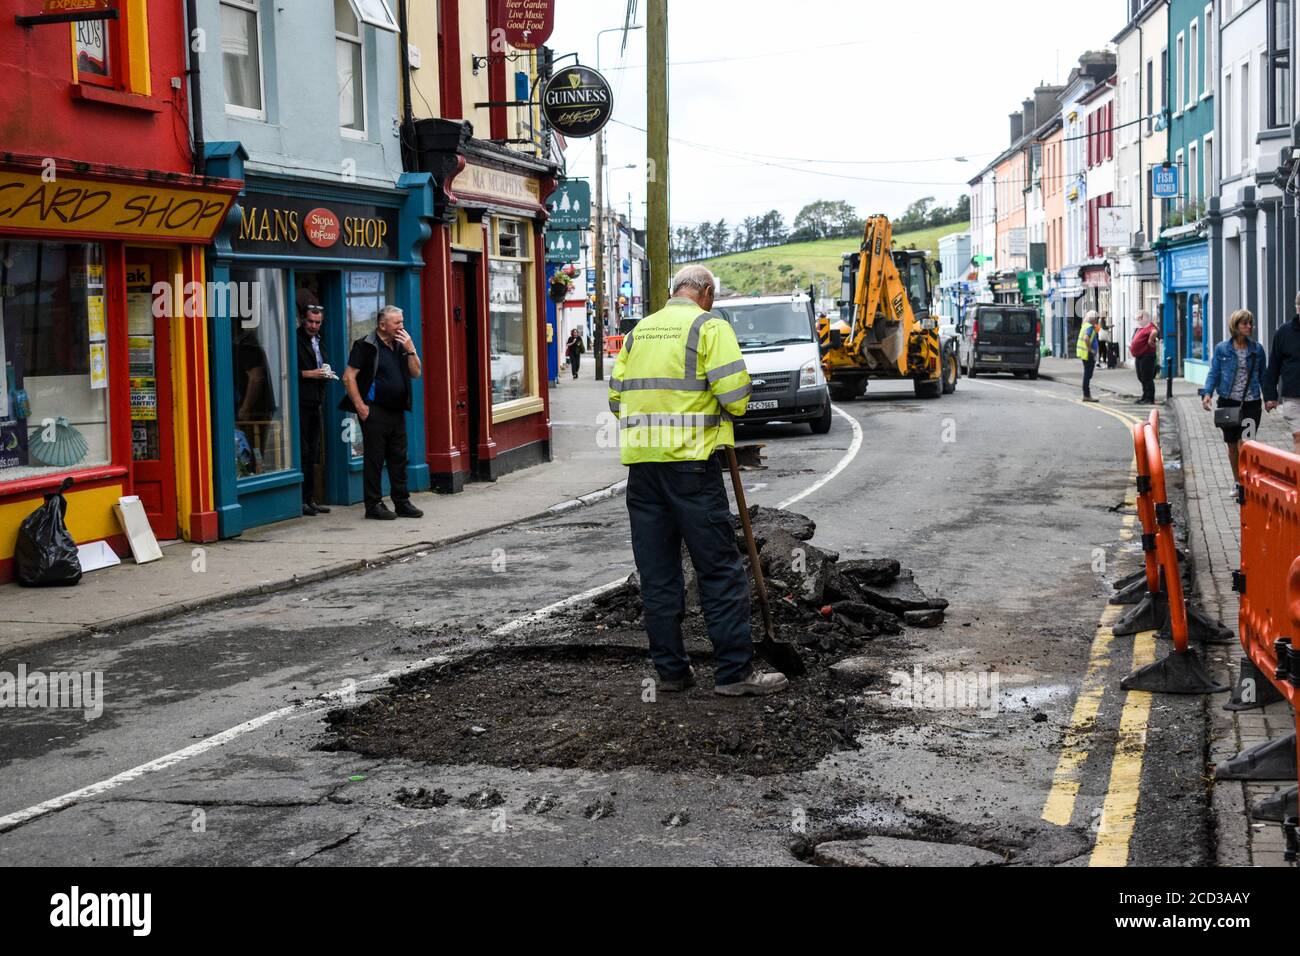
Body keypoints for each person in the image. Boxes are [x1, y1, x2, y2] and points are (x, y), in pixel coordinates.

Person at [609, 264, 788, 698]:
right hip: (691, 465)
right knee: (719, 569)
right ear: (705, 293)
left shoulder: (640, 331)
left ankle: (671, 672)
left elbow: (617, 400)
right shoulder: (710, 326)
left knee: (658, 573)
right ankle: (733, 673)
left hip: (642, 472)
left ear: (675, 291)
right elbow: (736, 398)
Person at [341, 305, 424, 520]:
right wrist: (360, 407)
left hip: (397, 411)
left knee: (398, 458)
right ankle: (374, 504)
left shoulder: (401, 345)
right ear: (382, 324)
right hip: (374, 411)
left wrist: (411, 348)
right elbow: (348, 377)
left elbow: (416, 373)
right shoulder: (365, 346)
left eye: (402, 322)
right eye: (397, 323)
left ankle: (402, 502)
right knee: (375, 459)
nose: (401, 327)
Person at [1201, 309, 1267, 485]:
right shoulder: (1222, 349)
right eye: (1245, 323)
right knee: (1232, 445)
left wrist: (1269, 398)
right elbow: (1214, 373)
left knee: (1246, 442)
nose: (1249, 326)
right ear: (1236, 326)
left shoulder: (1257, 350)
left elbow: (1263, 376)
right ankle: (1238, 481)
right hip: (1228, 402)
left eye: (1250, 323)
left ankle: (1247, 483)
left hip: (1251, 403)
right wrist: (1207, 393)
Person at [296, 293, 333, 516]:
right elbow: (286, 369)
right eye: (310, 321)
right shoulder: (294, 339)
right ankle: (301, 499)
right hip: (299, 402)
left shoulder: (319, 340)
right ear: (303, 320)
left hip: (316, 401)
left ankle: (311, 499)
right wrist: (310, 374)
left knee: (313, 452)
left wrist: (326, 374)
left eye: (317, 322)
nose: (313, 326)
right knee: (302, 451)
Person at [1264, 293, 1300, 456]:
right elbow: (1273, 366)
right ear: (1298, 307)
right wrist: (1270, 396)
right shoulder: (1284, 332)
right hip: (1293, 398)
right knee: (1299, 437)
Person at [1129, 310, 1160, 405]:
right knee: (1141, 377)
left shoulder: (1150, 326)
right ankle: (1145, 396)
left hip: (1147, 356)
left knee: (1147, 378)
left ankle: (1149, 398)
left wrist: (1151, 339)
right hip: (1139, 356)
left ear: (1144, 318)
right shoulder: (1141, 328)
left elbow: (1155, 332)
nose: (1138, 320)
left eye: (1139, 318)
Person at [1076, 310, 1102, 403]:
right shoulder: (1090, 327)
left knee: (1088, 374)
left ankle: (1086, 394)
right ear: (1093, 319)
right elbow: (1086, 338)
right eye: (1096, 318)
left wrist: (1100, 321)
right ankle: (1086, 395)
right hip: (1088, 354)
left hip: (1085, 354)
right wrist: (1090, 349)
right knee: (1087, 375)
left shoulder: (1086, 326)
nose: (1097, 320)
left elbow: (1098, 329)